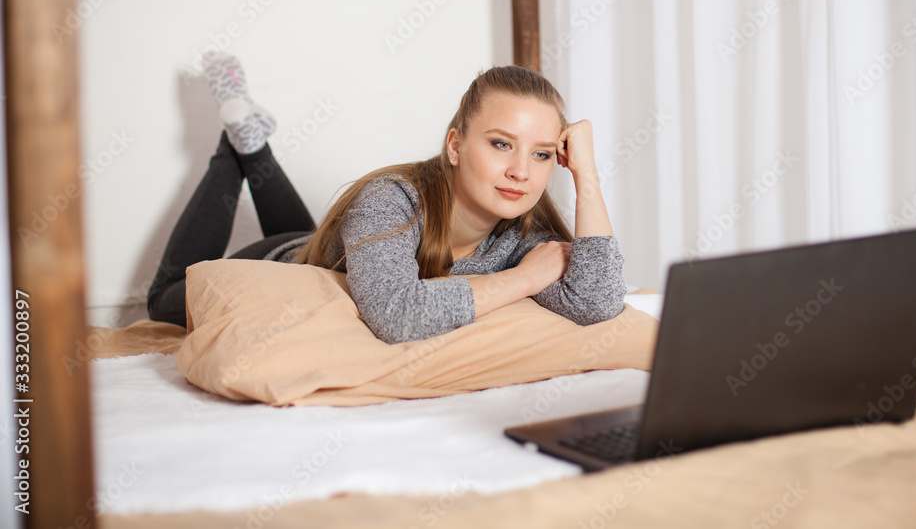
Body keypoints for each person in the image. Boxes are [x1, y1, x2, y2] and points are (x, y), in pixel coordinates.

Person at [147, 54, 626, 344]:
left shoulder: (523, 232)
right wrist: (524, 280)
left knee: (318, 241)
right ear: (455, 146)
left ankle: (251, 138)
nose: (522, 171)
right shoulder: (392, 199)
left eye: (542, 154)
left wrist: (587, 177)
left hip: (328, 247)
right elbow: (396, 314)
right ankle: (237, 144)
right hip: (281, 261)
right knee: (160, 299)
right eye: (501, 144)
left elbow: (597, 302)